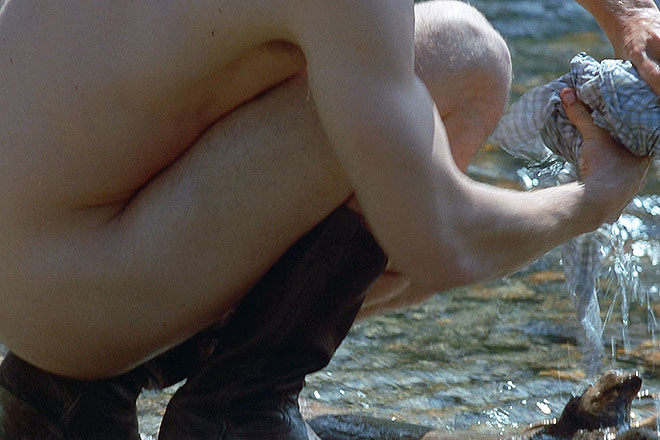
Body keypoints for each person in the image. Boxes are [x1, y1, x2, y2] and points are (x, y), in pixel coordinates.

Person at [0, 0, 655, 438]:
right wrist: (595, 197)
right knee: (457, 61)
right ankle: (239, 409)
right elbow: (439, 241)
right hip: (75, 298)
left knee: (427, 71)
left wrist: (626, 13)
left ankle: (61, 397)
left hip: (41, 264)